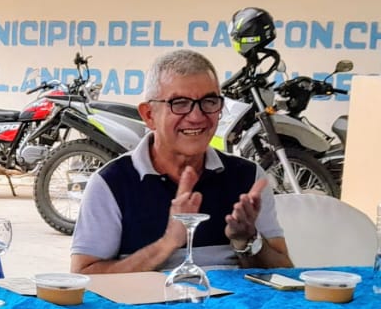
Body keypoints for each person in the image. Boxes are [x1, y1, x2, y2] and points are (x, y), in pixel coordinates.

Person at [71, 49, 293, 273]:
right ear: (149, 115)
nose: (196, 117)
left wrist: (248, 240)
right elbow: (85, 275)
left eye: (209, 101)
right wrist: (167, 243)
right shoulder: (111, 184)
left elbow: (285, 272)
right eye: (179, 103)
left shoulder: (247, 178)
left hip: (233, 297)